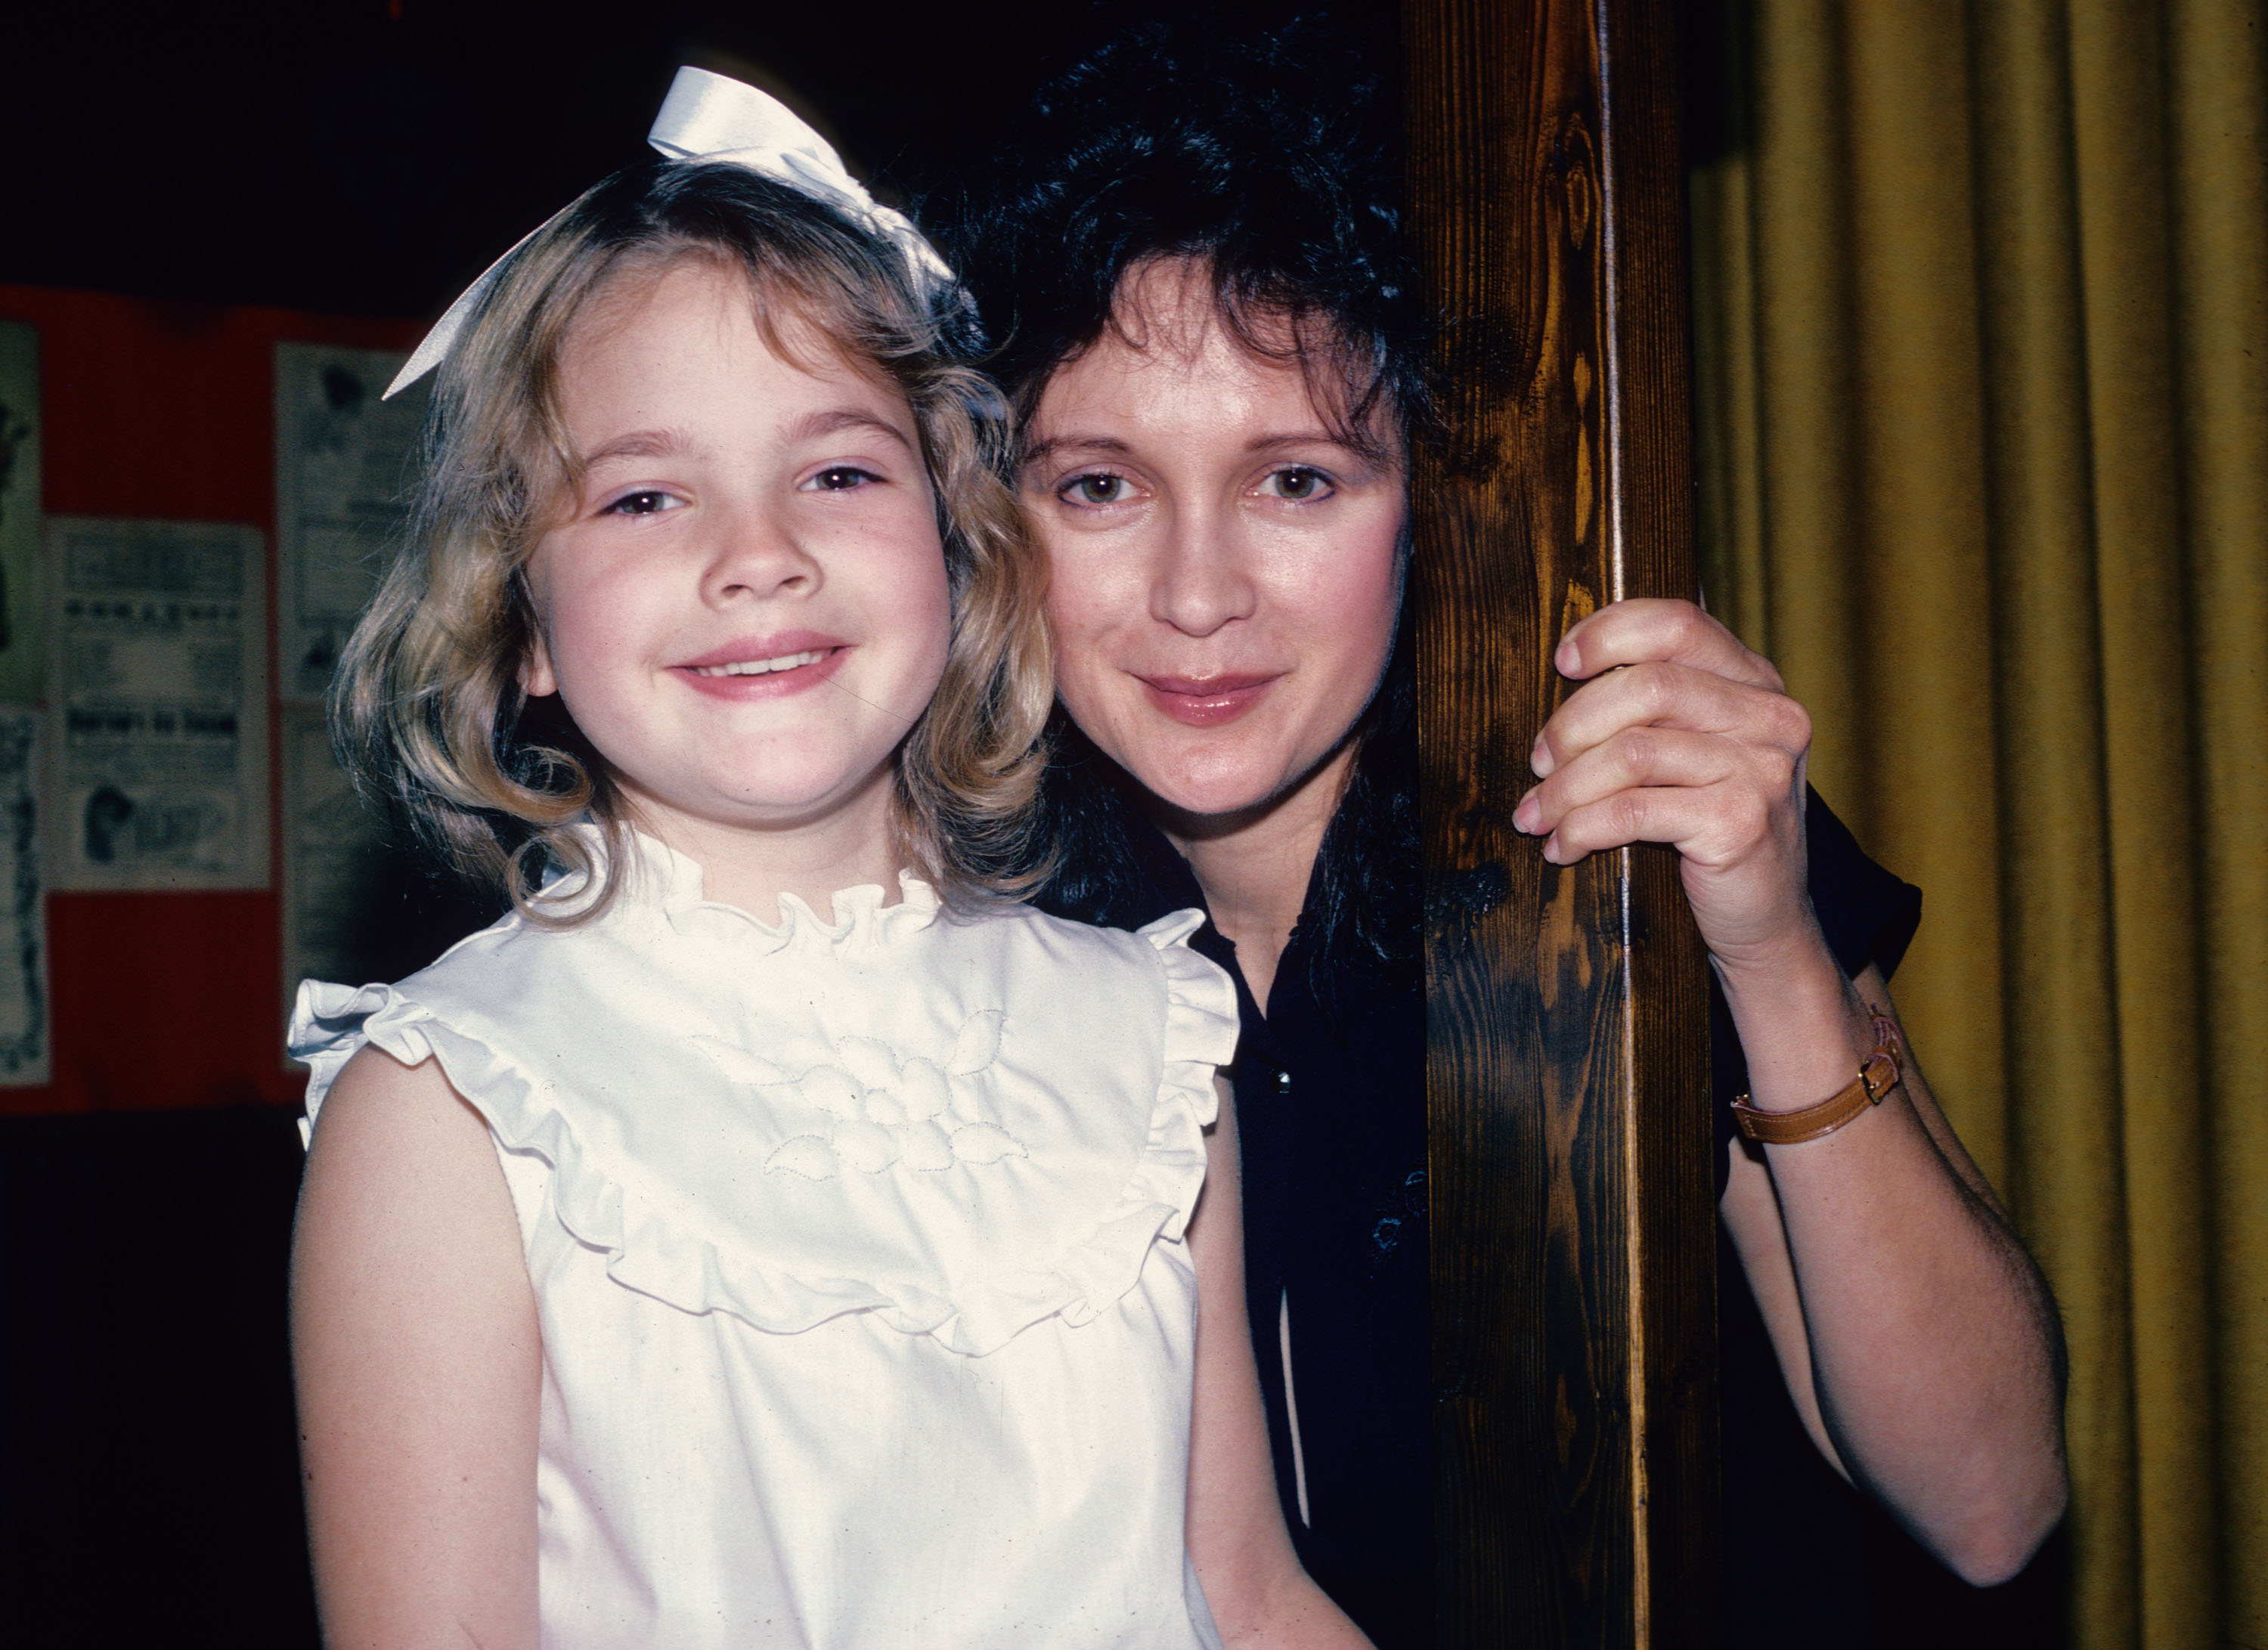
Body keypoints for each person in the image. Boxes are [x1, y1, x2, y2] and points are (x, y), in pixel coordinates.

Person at [945, 17, 2068, 1645]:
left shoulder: (1611, 815)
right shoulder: (976, 928)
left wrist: (1770, 950)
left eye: (1299, 482)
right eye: (1100, 487)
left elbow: (1992, 1506)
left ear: (1430, 508)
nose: (1197, 596)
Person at [287, 69, 1365, 1649]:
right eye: (647, 495)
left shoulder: (1152, 1044)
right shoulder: (456, 1111)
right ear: (519, 620)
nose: (759, 553)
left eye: (841, 472)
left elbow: (1256, 1602)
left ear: (959, 538)